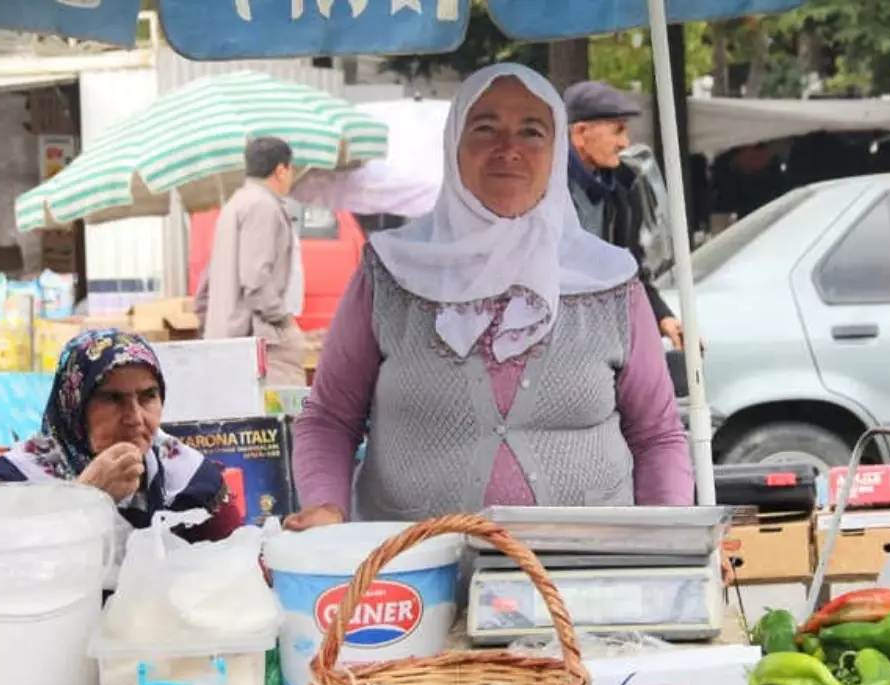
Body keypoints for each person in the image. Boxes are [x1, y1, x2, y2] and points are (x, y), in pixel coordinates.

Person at [285, 63, 693, 529]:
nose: (508, 149)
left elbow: (657, 435)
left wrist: (673, 536)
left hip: (583, 576)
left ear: (557, 151)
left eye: (532, 132)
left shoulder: (610, 281)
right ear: (453, 145)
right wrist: (324, 506)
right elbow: (330, 418)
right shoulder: (391, 272)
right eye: (485, 128)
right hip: (416, 574)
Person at [0, 329, 242, 542]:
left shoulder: (186, 476)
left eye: (148, 396)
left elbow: (240, 565)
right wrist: (85, 497)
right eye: (113, 398)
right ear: (74, 406)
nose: (135, 418)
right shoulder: (16, 481)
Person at [564, 80, 685, 351]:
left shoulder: (623, 188)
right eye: (618, 131)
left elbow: (630, 268)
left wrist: (662, 316)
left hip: (604, 337)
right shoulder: (544, 189)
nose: (625, 143)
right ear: (581, 133)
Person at [195, 136, 307, 387]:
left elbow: (204, 289)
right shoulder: (263, 206)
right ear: (281, 170)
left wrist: (210, 329)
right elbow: (256, 282)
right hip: (258, 344)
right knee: (285, 417)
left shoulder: (235, 204)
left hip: (228, 343)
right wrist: (284, 320)